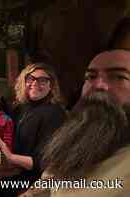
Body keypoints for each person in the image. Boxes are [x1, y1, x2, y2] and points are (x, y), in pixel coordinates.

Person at [37, 49, 130, 197]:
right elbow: (47, 184)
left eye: (118, 76)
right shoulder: (77, 137)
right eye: (91, 76)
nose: (98, 85)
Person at [0, 63, 66, 196]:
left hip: (31, 181)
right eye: (30, 79)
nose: (35, 83)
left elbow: (43, 163)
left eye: (42, 80)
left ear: (51, 86)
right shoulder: (21, 106)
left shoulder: (55, 114)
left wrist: (10, 158)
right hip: (12, 169)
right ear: (24, 82)